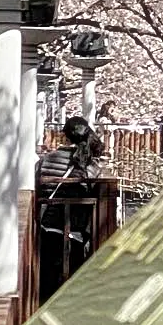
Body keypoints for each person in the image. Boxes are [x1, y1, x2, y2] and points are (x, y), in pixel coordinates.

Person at [37, 118, 106, 299]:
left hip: (46, 228)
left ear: (63, 135)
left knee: (47, 282)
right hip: (75, 232)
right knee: (72, 285)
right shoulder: (91, 167)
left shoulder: (46, 161)